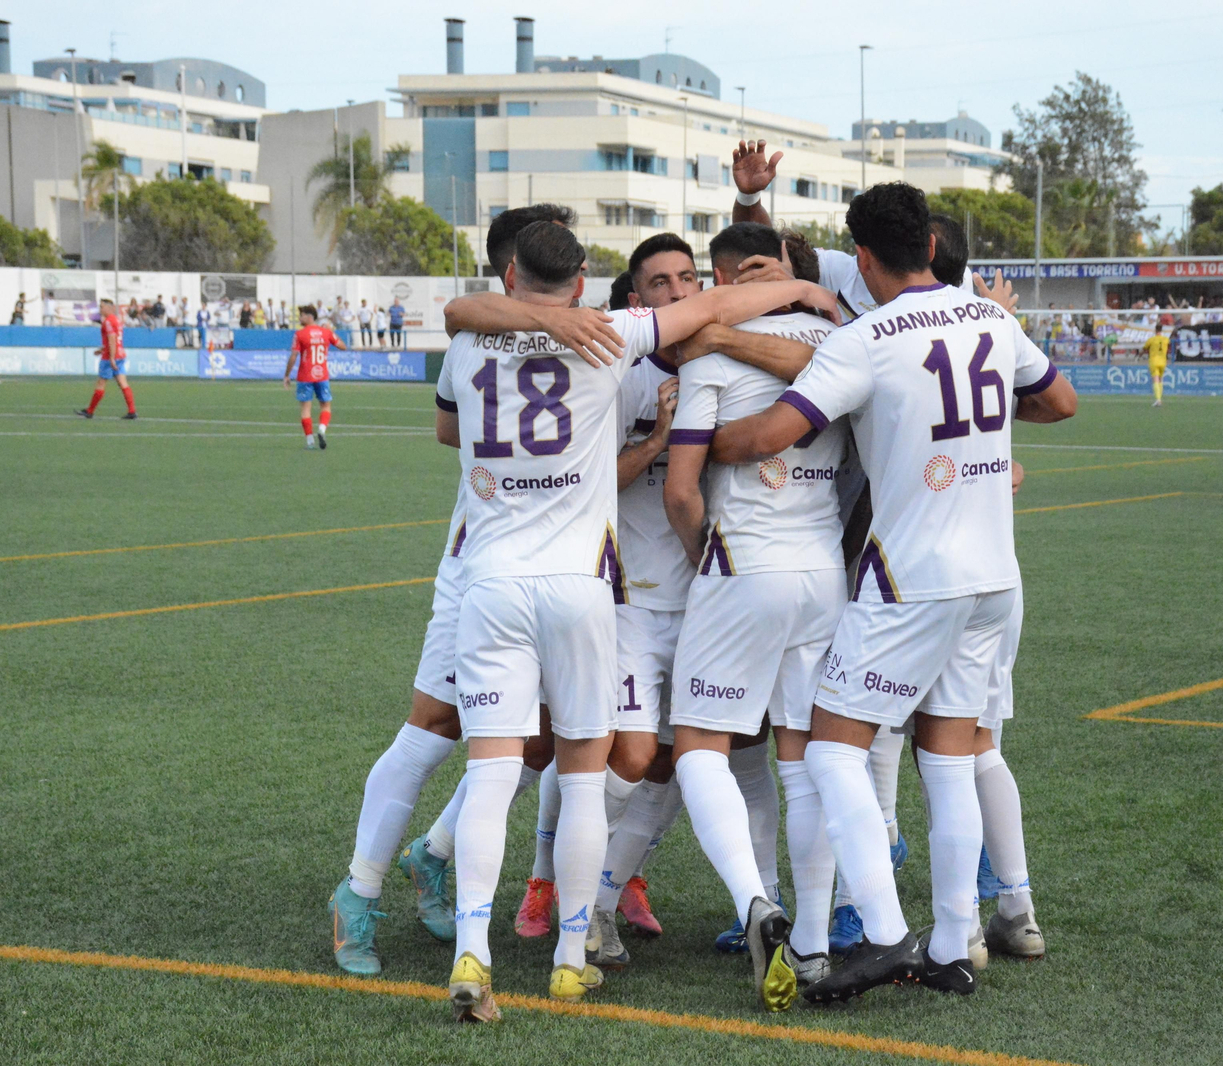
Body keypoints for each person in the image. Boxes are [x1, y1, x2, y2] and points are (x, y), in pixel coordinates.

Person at [434, 221, 837, 1022]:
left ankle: (471, 951)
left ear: (512, 273)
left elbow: (458, 321)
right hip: (583, 586)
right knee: (587, 775)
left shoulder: (467, 342)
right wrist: (797, 287)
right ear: (583, 281)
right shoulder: (613, 338)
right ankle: (569, 956)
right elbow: (718, 303)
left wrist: (528, 317)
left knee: (490, 771)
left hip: (489, 583)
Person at [706, 182, 1076, 1003]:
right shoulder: (990, 316)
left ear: (864, 258)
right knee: (950, 760)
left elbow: (773, 435)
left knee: (833, 747)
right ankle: (951, 944)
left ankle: (883, 934)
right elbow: (1060, 400)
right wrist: (984, 434)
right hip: (994, 578)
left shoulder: (866, 338)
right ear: (934, 249)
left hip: (911, 579)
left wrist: (693, 442)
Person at [326, 205, 580, 980]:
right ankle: (356, 893)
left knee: (540, 740)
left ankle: (432, 854)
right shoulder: (475, 340)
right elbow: (449, 417)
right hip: (482, 564)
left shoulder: (588, 334)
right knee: (435, 726)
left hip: (569, 568)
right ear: (513, 275)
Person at [662, 221, 848, 1005]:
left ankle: (753, 902)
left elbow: (681, 489)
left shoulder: (709, 347)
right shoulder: (841, 336)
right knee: (805, 759)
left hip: (744, 561)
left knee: (699, 744)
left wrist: (701, 552)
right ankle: (810, 938)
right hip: (824, 567)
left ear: (730, 278)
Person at [283, 305, 345, 449]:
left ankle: (310, 441)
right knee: (326, 406)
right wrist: (331, 332)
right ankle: (322, 430)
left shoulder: (299, 334)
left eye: (302, 315)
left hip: (305, 376)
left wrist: (287, 375)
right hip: (322, 375)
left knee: (305, 409)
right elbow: (343, 346)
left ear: (310, 316)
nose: (299, 318)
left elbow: (293, 356)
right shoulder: (326, 332)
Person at [76, 299, 137, 420]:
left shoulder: (108, 321)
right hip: (120, 354)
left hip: (110, 358)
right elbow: (114, 340)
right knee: (123, 383)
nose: (100, 309)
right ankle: (132, 411)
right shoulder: (117, 320)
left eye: (102, 307)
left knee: (101, 383)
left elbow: (112, 339)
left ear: (109, 308)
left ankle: (90, 411)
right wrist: (103, 349)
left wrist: (111, 358)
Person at [1145, 324, 1170, 406]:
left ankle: (1158, 400)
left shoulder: (1151, 340)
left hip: (1154, 361)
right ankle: (1160, 399)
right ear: (1161, 331)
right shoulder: (1166, 339)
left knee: (1155, 379)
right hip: (1163, 361)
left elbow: (1145, 348)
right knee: (1160, 379)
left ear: (1155, 330)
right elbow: (1169, 347)